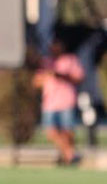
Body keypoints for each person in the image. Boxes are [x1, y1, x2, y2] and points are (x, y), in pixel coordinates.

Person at [34, 38, 84, 166]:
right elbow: (36, 82)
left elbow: (79, 78)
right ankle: (70, 154)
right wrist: (46, 76)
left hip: (66, 101)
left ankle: (67, 158)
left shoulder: (71, 60)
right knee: (51, 132)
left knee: (67, 132)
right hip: (50, 103)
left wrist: (60, 76)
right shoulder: (47, 62)